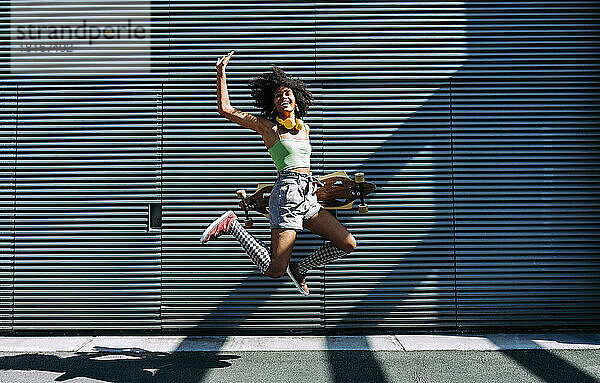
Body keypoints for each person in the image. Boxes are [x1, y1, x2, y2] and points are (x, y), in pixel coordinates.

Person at [201, 50, 356, 296]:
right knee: (274, 269)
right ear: (272, 103)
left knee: (347, 243)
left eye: (287, 94)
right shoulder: (268, 127)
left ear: (296, 101)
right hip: (287, 195)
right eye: (277, 96)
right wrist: (221, 73)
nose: (282, 97)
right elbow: (226, 110)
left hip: (309, 196)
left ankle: (301, 268)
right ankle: (233, 226)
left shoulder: (305, 128)